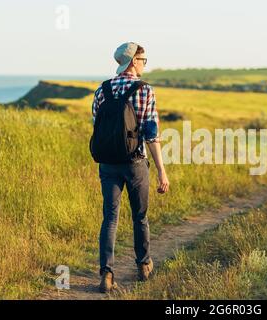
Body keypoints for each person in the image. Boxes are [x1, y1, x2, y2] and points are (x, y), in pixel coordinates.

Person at [91, 42, 170, 293]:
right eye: (143, 60)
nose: (145, 64)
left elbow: (97, 124)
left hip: (108, 164)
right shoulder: (145, 90)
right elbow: (151, 134)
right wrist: (161, 170)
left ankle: (106, 274)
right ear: (133, 61)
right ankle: (144, 266)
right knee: (140, 217)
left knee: (110, 218)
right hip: (135, 163)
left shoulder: (102, 90)